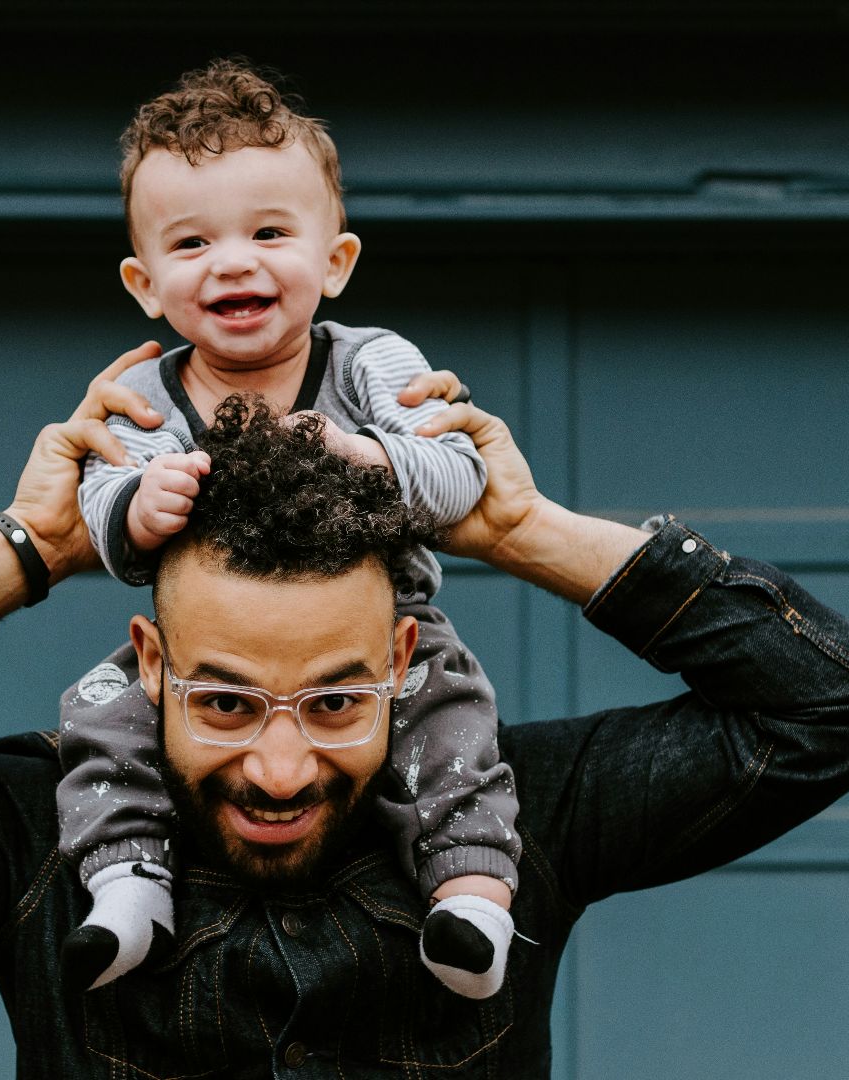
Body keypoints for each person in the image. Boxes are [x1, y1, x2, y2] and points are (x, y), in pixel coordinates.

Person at [0, 350, 849, 1078]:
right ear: (149, 664)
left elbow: (841, 704)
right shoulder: (39, 844)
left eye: (338, 699)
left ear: (406, 655)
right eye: (229, 702)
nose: (283, 764)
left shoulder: (516, 822)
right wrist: (29, 546)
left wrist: (529, 534)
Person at [58, 58, 520, 999]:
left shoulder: (370, 365)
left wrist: (367, 456)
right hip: (206, 649)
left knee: (453, 718)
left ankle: (470, 897)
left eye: (270, 232)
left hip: (389, 625)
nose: (233, 261)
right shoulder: (144, 393)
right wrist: (135, 507)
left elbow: (457, 473)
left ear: (335, 262)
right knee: (100, 714)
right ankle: (126, 883)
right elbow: (101, 510)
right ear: (146, 285)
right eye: (192, 245)